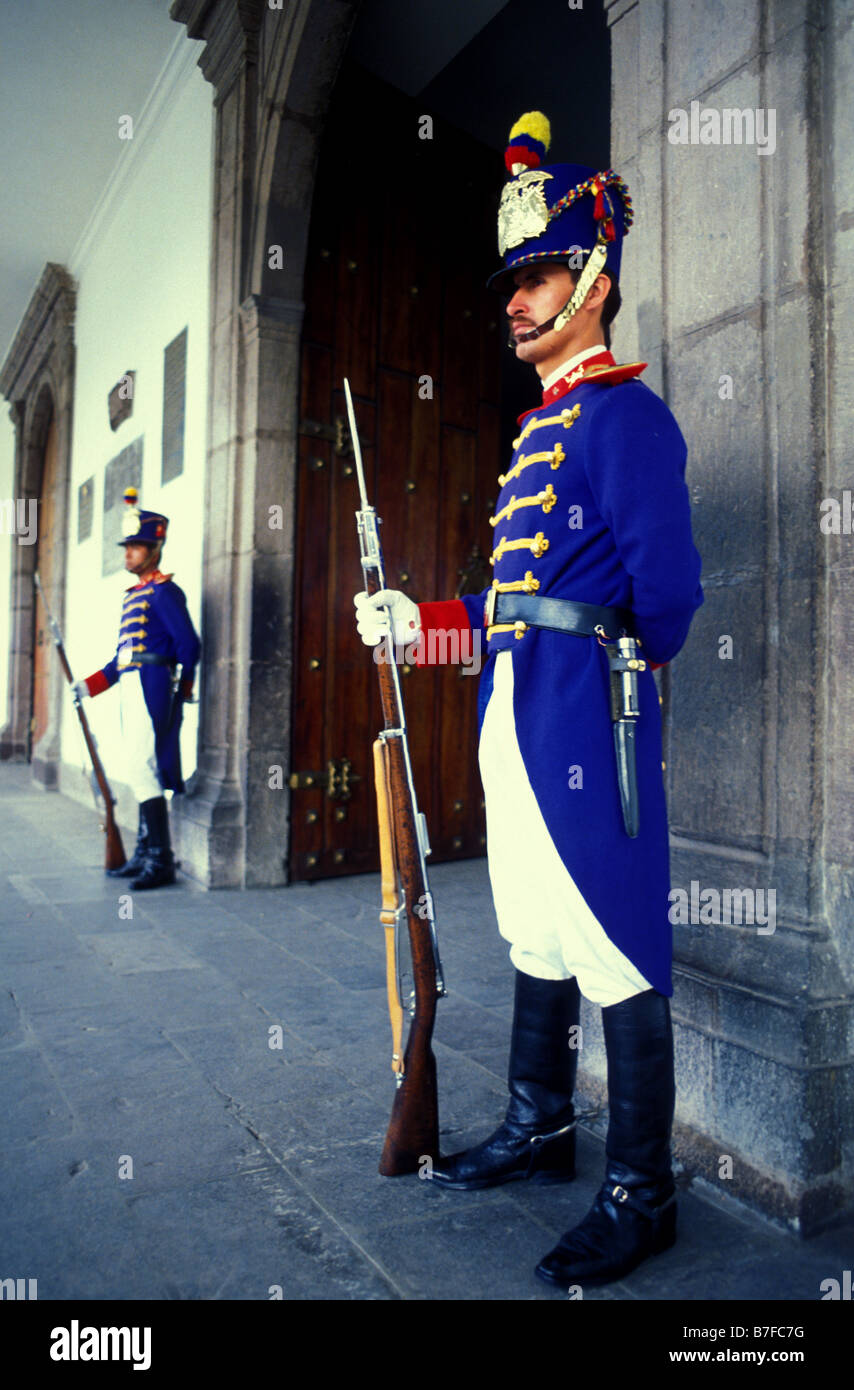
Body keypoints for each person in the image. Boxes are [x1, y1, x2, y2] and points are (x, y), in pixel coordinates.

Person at [354, 112, 703, 1289]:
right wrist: (417, 626)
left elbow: (665, 595)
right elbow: (512, 608)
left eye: (539, 273)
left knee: (612, 942)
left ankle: (639, 1189)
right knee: (537, 931)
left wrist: (621, 685)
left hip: (584, 724)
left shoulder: (621, 418)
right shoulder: (535, 429)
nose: (515, 300)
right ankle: (542, 1123)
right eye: (511, 280)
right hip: (518, 711)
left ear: (593, 280)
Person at [75, 488, 201, 891]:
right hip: (132, 686)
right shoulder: (135, 595)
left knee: (140, 767)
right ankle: (147, 852)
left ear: (155, 548)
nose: (128, 553)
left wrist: (181, 691)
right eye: (127, 547)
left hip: (153, 688)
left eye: (136, 546)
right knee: (138, 767)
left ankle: (161, 859)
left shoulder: (164, 592)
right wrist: (89, 686)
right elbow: (120, 659)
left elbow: (189, 646)